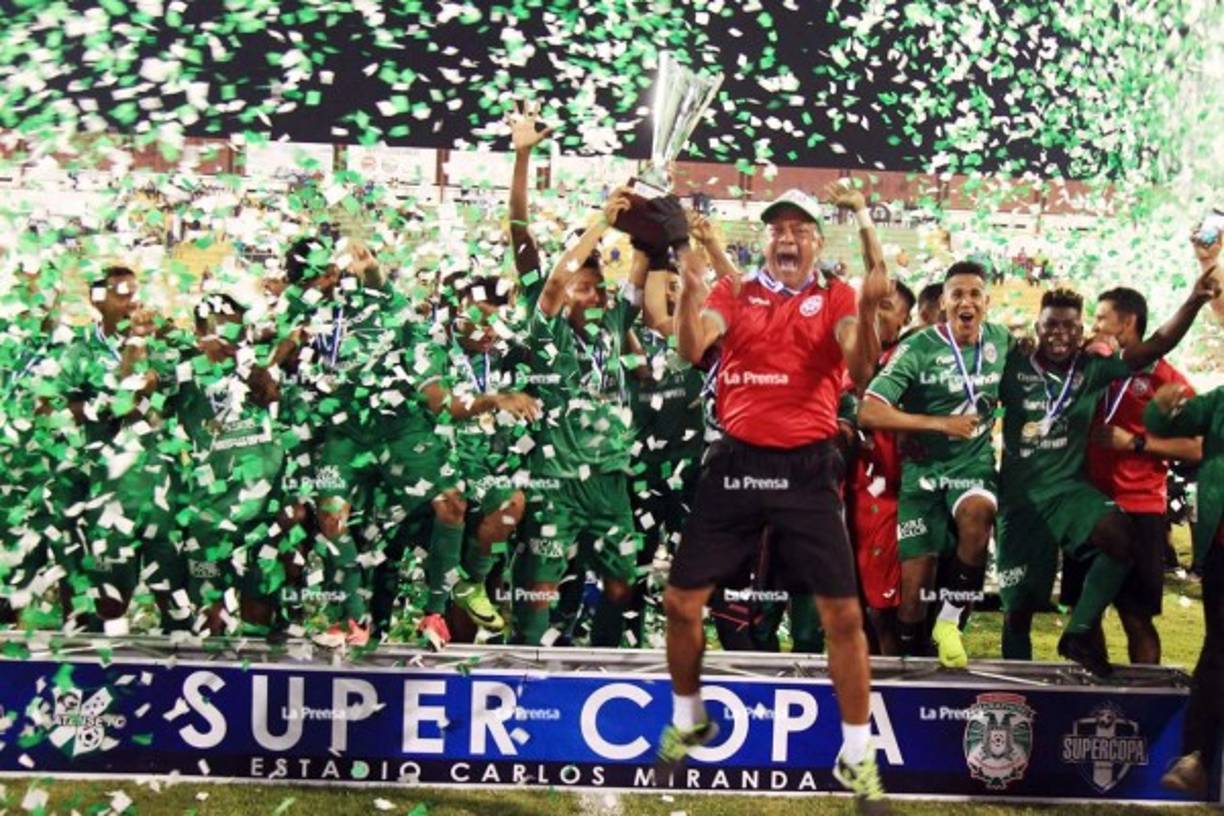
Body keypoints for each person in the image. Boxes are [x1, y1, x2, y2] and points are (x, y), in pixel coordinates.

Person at [662, 183, 894, 813]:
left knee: (843, 618)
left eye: (800, 230)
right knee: (681, 603)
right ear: (762, 240)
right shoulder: (733, 292)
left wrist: (870, 314)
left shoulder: (838, 295)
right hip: (735, 464)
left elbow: (863, 368)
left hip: (807, 469)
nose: (787, 239)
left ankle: (857, 752)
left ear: (818, 241)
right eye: (777, 230)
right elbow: (690, 347)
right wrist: (687, 286)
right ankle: (687, 717)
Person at [995, 273, 1217, 677]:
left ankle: (1077, 633)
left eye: (1070, 325)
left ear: (1080, 330)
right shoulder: (1012, 365)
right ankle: (1017, 691)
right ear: (1037, 329)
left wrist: (1194, 300)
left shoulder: (1093, 369)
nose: (1060, 333)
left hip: (1069, 495)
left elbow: (1159, 343)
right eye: (1051, 325)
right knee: (1018, 611)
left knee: (1118, 536)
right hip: (1021, 502)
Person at [859, 260, 1013, 668]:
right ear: (943, 302)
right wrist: (936, 423)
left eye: (975, 294)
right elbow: (869, 412)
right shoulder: (918, 348)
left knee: (979, 518)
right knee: (913, 595)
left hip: (972, 467)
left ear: (987, 302)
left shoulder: (1003, 342)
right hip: (921, 477)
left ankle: (949, 621)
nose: (966, 301)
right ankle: (914, 660)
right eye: (957, 294)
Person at [52, 266, 187, 633]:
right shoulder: (77, 351)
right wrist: (104, 405)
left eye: (134, 291)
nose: (131, 299)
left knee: (176, 599)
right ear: (97, 301)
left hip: (159, 485)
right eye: (119, 292)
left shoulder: (162, 347)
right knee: (109, 601)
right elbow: (55, 407)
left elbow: (163, 402)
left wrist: (140, 386)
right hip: (102, 489)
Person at [1085, 287, 1202, 664]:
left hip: (1139, 510)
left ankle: (1145, 703)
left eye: (1102, 317)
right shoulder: (1095, 369)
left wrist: (1135, 443)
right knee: (1084, 620)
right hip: (1087, 507)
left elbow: (1197, 446)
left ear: (1128, 322)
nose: (1095, 325)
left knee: (1135, 618)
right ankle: (1087, 697)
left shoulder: (1167, 381)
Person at [1146, 381, 1224, 797]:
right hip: (1221, 547)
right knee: (1217, 650)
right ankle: (1197, 757)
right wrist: (1160, 407)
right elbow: (1165, 422)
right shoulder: (1220, 401)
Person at [846, 281, 916, 655]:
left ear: (904, 321)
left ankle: (893, 693)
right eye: (870, 304)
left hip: (887, 498)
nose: (875, 313)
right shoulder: (844, 357)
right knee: (852, 609)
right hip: (845, 498)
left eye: (886, 306)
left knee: (882, 611)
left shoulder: (907, 363)